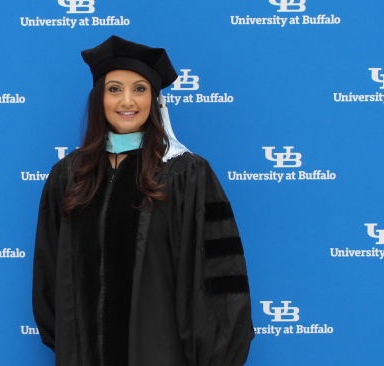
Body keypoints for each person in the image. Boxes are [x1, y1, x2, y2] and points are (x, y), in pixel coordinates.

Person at [33, 35, 253, 366]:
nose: (127, 101)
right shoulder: (68, 175)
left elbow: (215, 274)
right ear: (99, 99)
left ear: (154, 98)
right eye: (114, 89)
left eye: (139, 88)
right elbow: (48, 272)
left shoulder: (184, 174)